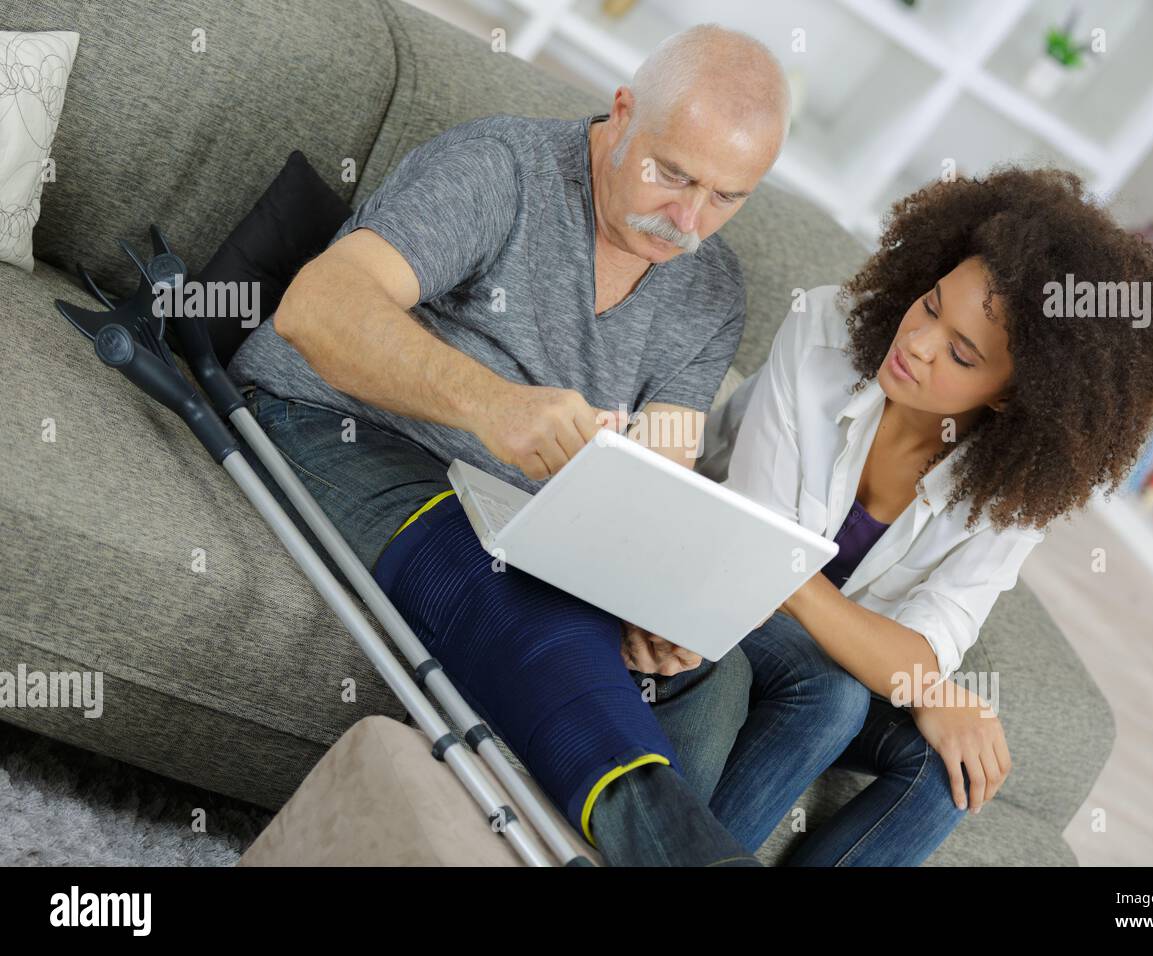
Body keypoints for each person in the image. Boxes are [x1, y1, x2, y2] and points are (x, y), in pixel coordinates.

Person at [226, 23, 791, 865]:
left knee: (718, 676)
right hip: (336, 425)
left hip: (519, 514)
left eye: (726, 197)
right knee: (502, 592)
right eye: (672, 173)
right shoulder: (503, 169)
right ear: (624, 111)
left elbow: (661, 467)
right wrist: (491, 406)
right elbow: (318, 308)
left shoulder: (711, 291)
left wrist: (654, 595)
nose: (689, 219)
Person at [691, 166, 1153, 864]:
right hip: (723, 595)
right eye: (930, 306)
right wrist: (918, 683)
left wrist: (919, 678)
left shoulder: (1015, 489)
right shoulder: (824, 332)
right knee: (835, 697)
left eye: (962, 355)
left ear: (1009, 399)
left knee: (952, 773)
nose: (920, 345)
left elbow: (926, 646)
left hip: (826, 647)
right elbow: (754, 555)